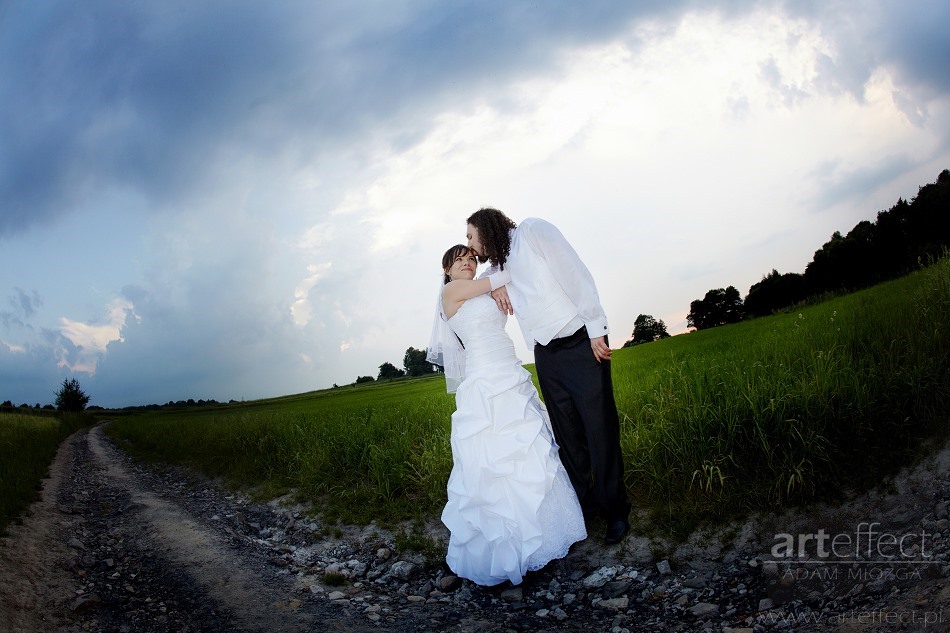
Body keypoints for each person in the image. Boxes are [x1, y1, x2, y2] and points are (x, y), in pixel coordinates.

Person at [465, 208, 631, 545]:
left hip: (582, 343)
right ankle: (584, 508)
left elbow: (575, 274)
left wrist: (596, 327)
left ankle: (616, 510)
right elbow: (473, 289)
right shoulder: (498, 266)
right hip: (546, 354)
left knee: (599, 428)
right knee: (568, 437)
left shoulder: (532, 231)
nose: (469, 244)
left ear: (485, 227)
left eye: (470, 235)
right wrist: (492, 288)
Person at [427, 245, 586, 587]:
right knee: (495, 459)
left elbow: (495, 280)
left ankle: (546, 535)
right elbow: (501, 276)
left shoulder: (481, 284)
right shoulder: (451, 291)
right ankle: (507, 546)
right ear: (447, 269)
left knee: (530, 451)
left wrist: (494, 284)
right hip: (485, 381)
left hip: (510, 373)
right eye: (460, 260)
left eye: (472, 258)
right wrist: (495, 284)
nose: (469, 262)